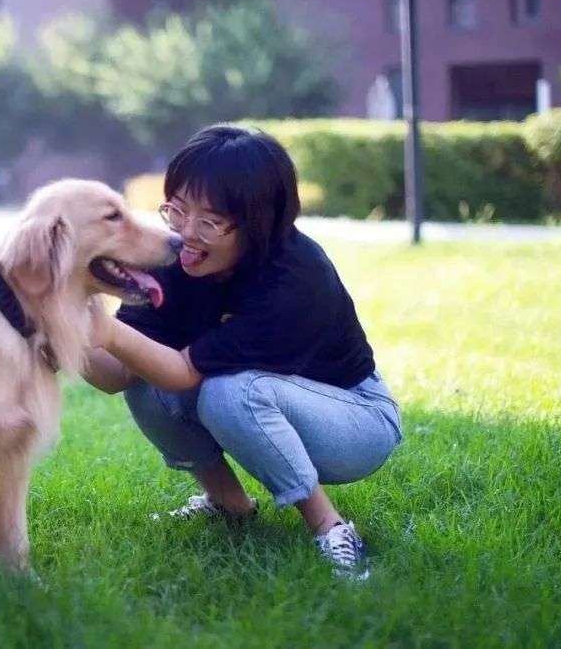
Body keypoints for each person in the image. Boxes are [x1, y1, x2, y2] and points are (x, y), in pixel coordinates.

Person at [84, 124, 402, 576]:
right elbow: (115, 375)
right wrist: (63, 323)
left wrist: (106, 332)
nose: (185, 233)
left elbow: (181, 373)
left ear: (257, 224)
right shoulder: (177, 255)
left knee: (229, 392)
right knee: (145, 374)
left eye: (209, 221)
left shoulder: (294, 279)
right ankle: (228, 505)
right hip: (262, 394)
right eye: (176, 210)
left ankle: (332, 529)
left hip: (355, 419)